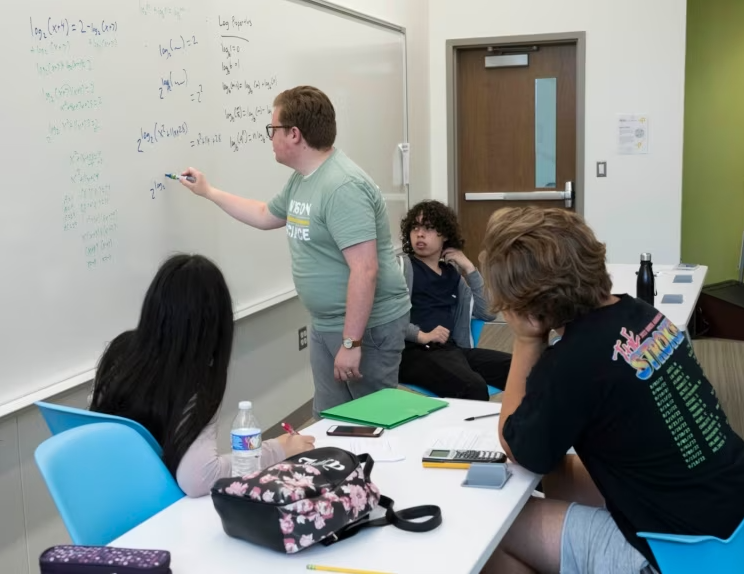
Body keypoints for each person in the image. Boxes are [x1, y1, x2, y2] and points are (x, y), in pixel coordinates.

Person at [479, 207, 744, 574]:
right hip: (742, 521)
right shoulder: (642, 313)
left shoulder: (572, 361)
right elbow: (549, 460)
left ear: (525, 302)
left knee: (497, 530)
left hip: (678, 554)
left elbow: (518, 448)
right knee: (559, 475)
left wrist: (525, 339)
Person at [176, 86, 411, 416]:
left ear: (295, 134)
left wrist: (351, 343)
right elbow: (263, 215)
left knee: (372, 421)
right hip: (327, 323)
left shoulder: (342, 186)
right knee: (328, 422)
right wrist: (209, 191)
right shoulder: (303, 180)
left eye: (273, 129)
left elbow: (365, 270)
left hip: (366, 329)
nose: (270, 138)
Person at [89, 254, 316, 498]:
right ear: (216, 325)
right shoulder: (195, 377)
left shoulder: (120, 350)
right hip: (158, 508)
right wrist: (277, 449)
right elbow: (199, 477)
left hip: (106, 497)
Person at [397, 200, 511, 400]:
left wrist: (469, 268)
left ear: (445, 236)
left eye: (429, 228)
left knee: (521, 368)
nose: (420, 234)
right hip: (414, 353)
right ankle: (467, 433)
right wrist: (421, 335)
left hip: (450, 351)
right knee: (472, 387)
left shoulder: (452, 275)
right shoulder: (403, 268)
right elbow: (384, 317)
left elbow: (488, 312)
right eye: (415, 228)